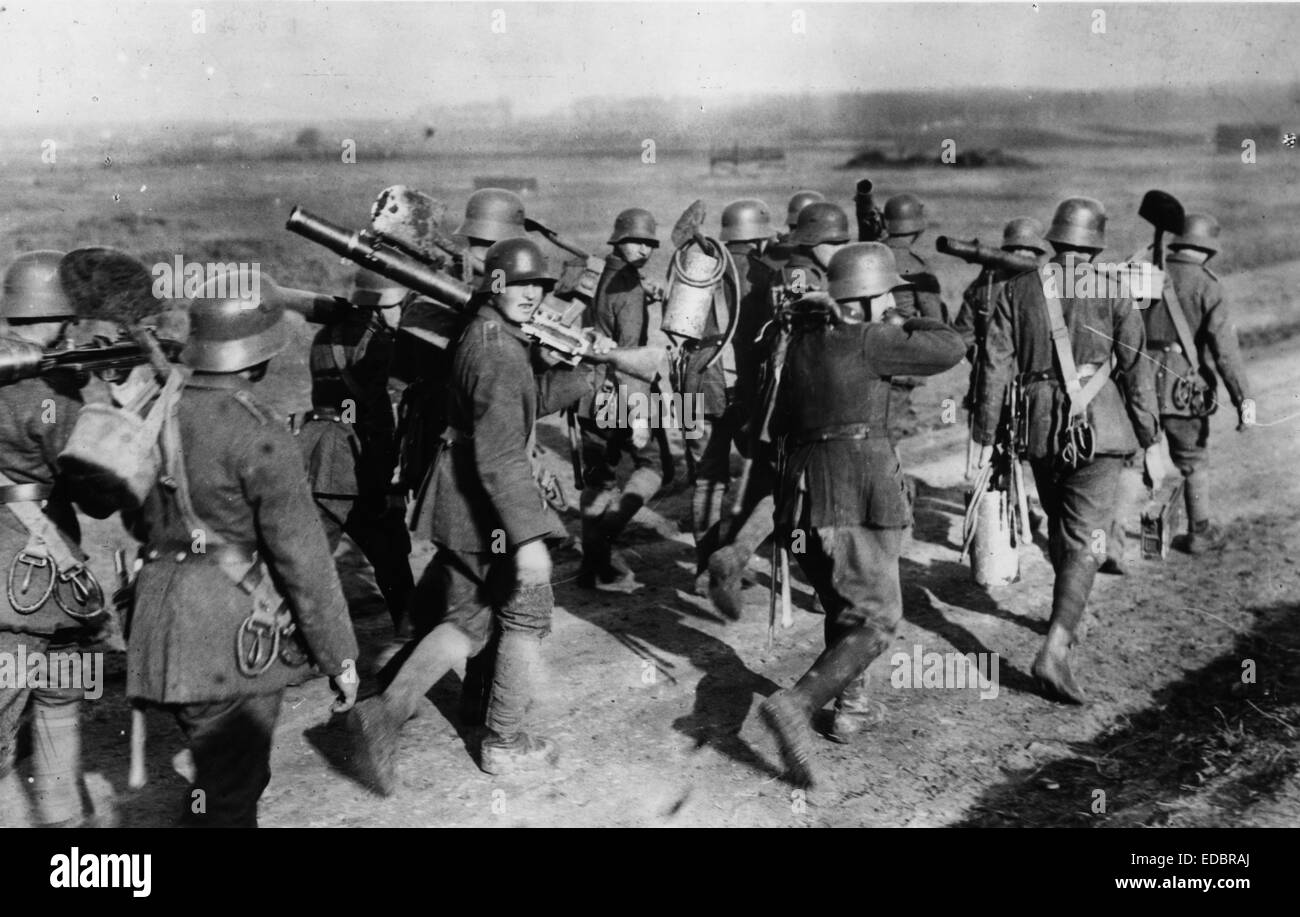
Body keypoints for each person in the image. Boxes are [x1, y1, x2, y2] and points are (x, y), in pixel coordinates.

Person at [349, 239, 610, 793]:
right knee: (525, 612)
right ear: (493, 285)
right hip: (482, 502)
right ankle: (504, 742)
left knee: (468, 616)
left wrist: (585, 374)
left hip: (463, 496)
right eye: (518, 285)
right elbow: (499, 453)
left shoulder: (493, 335)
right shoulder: (495, 348)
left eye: (538, 286)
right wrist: (529, 537)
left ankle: (389, 711)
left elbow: (521, 399)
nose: (529, 294)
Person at [126, 284, 359, 827]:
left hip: (159, 620)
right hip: (230, 634)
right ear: (260, 355)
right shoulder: (259, 432)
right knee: (234, 787)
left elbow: (134, 517)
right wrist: (340, 657)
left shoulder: (157, 411)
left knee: (218, 775)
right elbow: (304, 561)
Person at [759, 242, 965, 785]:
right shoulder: (875, 338)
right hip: (854, 491)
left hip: (802, 498)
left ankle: (849, 709)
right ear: (874, 297)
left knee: (844, 603)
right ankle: (797, 705)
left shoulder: (800, 340)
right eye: (887, 293)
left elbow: (775, 424)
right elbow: (949, 346)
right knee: (876, 619)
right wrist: (902, 312)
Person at [974, 197, 1161, 704]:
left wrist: (987, 436)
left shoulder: (1017, 289)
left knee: (1062, 525)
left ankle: (1066, 614)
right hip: (1100, 429)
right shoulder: (1114, 288)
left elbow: (994, 366)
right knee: (1086, 538)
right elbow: (1137, 368)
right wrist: (1148, 433)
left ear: (1054, 239)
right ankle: (1055, 649)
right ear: (1096, 244)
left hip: (1040, 429)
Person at [707, 202, 851, 618]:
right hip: (808, 400)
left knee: (786, 490)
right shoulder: (800, 273)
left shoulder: (798, 268)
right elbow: (812, 323)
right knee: (823, 493)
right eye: (834, 242)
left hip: (793, 398)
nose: (839, 249)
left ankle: (735, 555)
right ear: (813, 241)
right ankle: (831, 588)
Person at [0, 251, 103, 827]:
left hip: (10, 587)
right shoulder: (56, 392)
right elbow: (96, 495)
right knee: (58, 722)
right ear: (62, 315)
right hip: (51, 590)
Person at [1105, 211, 1252, 568]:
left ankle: (1112, 544)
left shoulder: (1144, 271)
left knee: (1130, 464)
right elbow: (1224, 350)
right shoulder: (1208, 284)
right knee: (1192, 461)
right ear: (1207, 249)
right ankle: (1200, 533)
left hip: (1136, 384)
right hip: (1182, 390)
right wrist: (1242, 397)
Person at [296, 268, 413, 636]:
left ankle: (296, 647)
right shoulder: (381, 345)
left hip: (318, 456)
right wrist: (389, 478)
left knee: (308, 566)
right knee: (391, 556)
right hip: (358, 459)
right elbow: (382, 414)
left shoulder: (324, 335)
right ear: (384, 304)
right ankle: (412, 633)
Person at [678, 198, 777, 594]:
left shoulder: (699, 266)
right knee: (770, 476)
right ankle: (735, 555)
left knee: (707, 480)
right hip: (739, 386)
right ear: (758, 238)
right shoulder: (763, 273)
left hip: (691, 381)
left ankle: (705, 570)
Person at [577, 208, 669, 592]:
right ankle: (604, 540)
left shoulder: (605, 272)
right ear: (619, 240)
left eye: (649, 242)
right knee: (656, 468)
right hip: (621, 391)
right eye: (637, 241)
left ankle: (591, 568)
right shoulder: (629, 289)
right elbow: (629, 357)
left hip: (588, 391)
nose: (644, 248)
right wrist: (639, 416)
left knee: (599, 477)